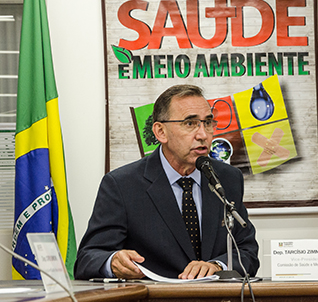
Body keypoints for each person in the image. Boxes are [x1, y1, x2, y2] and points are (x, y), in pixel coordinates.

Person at [74, 84, 259, 280]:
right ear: (160, 132)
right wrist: (112, 261)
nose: (203, 135)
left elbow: (247, 251)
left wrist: (217, 265)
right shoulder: (122, 185)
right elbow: (88, 258)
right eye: (190, 123)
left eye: (208, 123)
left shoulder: (227, 178)